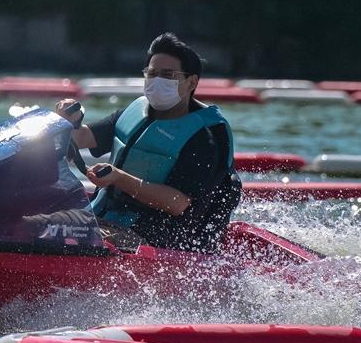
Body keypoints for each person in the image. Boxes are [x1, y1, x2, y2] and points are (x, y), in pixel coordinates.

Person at [56, 32, 241, 253]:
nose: (157, 80)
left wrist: (119, 178)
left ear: (191, 82)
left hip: (154, 238)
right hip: (105, 219)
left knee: (51, 233)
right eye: (151, 73)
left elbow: (177, 203)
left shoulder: (204, 138)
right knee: (30, 220)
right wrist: (66, 122)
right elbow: (82, 137)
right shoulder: (136, 112)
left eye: (167, 74)